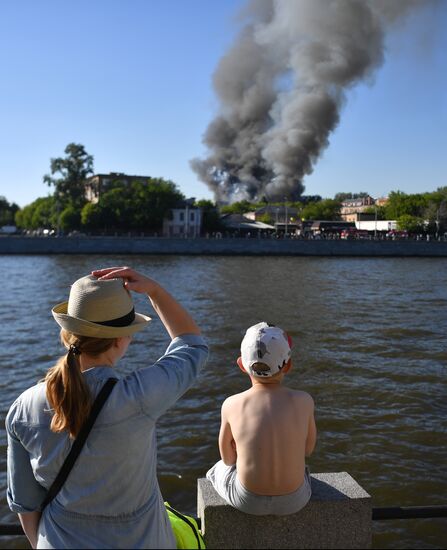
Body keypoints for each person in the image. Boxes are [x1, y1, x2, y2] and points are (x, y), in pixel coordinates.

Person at [6, 266, 208, 549]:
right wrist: (155, 291)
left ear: (67, 333)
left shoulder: (22, 408)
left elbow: (25, 505)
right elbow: (192, 346)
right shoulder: (140, 397)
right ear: (120, 339)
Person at [206, 322, 316, 516]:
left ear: (241, 365)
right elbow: (307, 450)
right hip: (295, 501)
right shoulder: (304, 400)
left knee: (216, 469)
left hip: (248, 501)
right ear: (288, 365)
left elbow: (228, 459)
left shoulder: (231, 404)